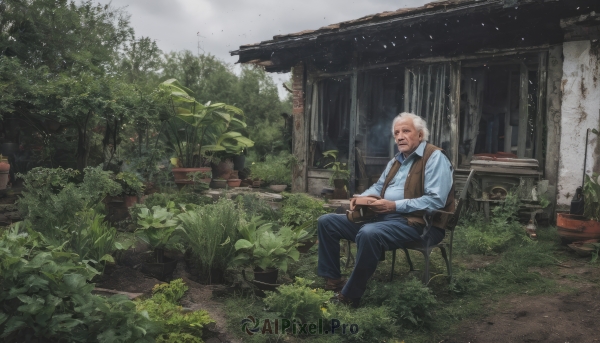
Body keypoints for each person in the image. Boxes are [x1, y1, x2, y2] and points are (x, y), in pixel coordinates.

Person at [317, 112, 454, 307]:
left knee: (368, 233)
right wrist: (362, 198)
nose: (399, 136)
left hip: (420, 224)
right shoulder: (396, 160)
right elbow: (379, 187)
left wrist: (394, 206)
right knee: (327, 222)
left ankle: (350, 295)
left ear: (421, 135)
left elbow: (436, 200)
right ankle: (333, 280)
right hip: (385, 219)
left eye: (406, 131)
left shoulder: (435, 158)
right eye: (396, 132)